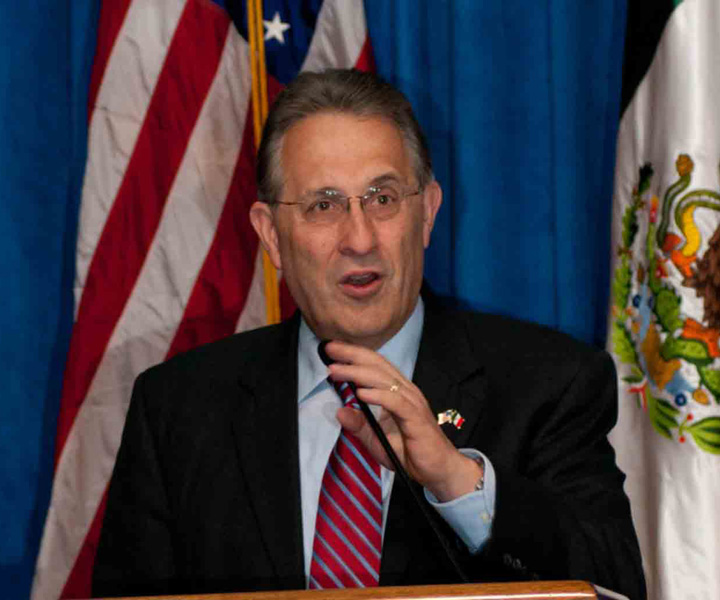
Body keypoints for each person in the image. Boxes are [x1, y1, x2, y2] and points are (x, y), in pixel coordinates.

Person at [93, 69, 646, 599]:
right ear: (271, 235)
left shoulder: (549, 384)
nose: (359, 239)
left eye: (383, 199)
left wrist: (457, 480)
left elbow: (616, 583)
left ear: (427, 214)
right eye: (323, 205)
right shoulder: (177, 409)